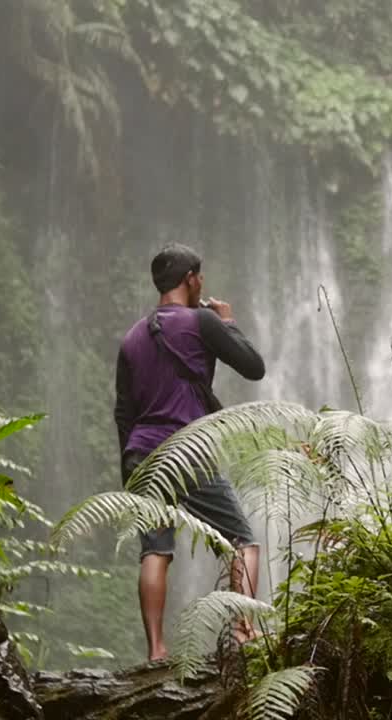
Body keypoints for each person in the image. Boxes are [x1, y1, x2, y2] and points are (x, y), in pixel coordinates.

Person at [113, 243, 266, 661]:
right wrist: (228, 323)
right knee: (242, 542)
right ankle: (243, 631)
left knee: (155, 550)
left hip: (141, 454)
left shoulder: (132, 337)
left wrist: (129, 470)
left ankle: (156, 651)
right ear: (190, 279)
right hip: (187, 451)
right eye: (201, 277)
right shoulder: (202, 321)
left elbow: (123, 414)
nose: (203, 285)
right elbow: (254, 366)